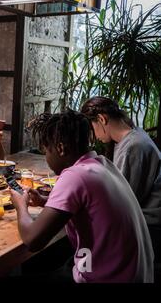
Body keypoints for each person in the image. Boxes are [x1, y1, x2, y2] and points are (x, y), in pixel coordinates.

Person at [9, 110, 154, 283]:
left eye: (46, 151)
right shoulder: (103, 164)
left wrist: (21, 206)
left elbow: (33, 240)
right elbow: (87, 206)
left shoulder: (74, 175)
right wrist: (45, 201)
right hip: (137, 275)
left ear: (60, 148)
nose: (47, 158)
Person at [81, 96, 161, 280]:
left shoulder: (134, 146)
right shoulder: (133, 136)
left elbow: (121, 201)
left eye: (92, 129)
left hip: (149, 226)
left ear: (101, 119)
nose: (95, 137)